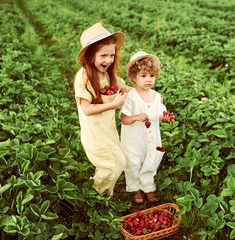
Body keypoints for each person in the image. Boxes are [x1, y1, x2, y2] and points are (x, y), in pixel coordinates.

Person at [74, 22, 131, 196]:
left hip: (108, 132)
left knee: (118, 163)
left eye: (112, 55)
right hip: (95, 134)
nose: (108, 60)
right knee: (111, 166)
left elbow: (126, 89)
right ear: (91, 55)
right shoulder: (83, 76)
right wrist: (114, 104)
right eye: (103, 56)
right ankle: (96, 196)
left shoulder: (107, 75)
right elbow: (87, 109)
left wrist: (147, 94)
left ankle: (105, 194)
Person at [120, 51, 174, 203]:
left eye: (152, 76)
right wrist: (136, 117)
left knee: (151, 161)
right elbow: (124, 119)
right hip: (134, 139)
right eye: (143, 76)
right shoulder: (130, 97)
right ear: (133, 77)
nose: (148, 80)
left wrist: (166, 116)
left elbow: (160, 112)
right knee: (134, 163)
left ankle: (148, 187)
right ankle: (136, 189)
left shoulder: (157, 96)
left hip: (151, 138)